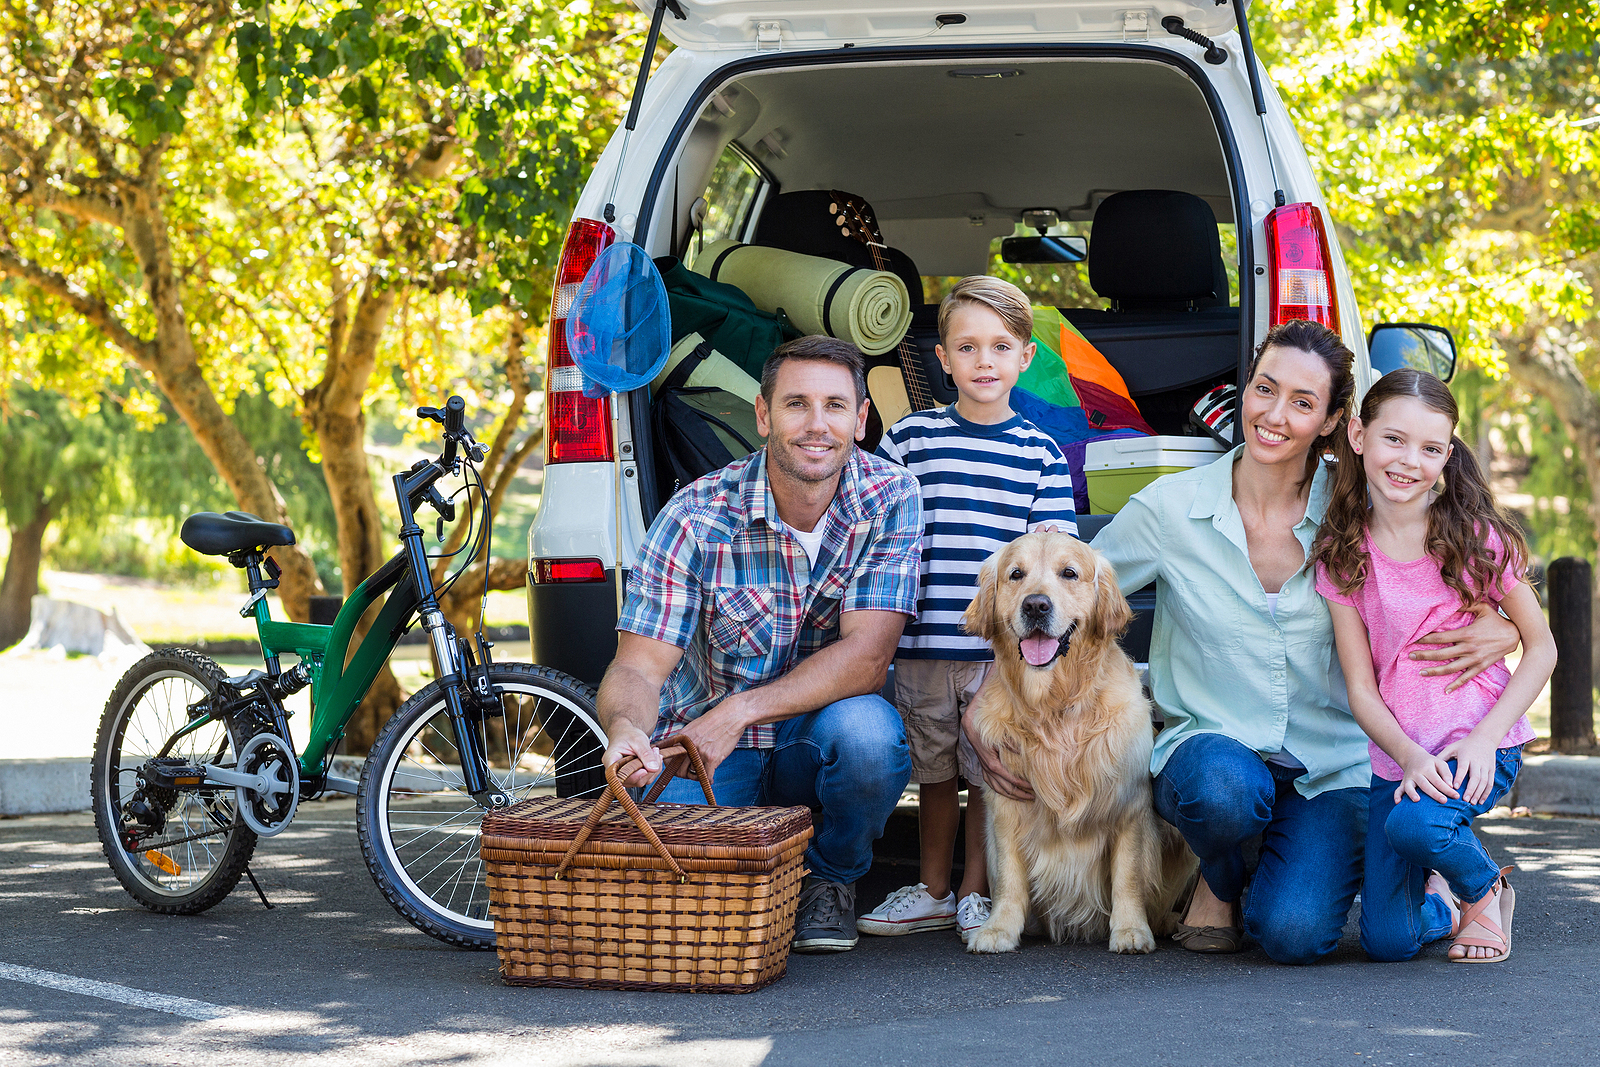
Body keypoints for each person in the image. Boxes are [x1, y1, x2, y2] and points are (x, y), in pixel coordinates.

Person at [964, 319, 1520, 964]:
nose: (1275, 415)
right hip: (1213, 755)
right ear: (1244, 389)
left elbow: (1469, 572)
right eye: (1264, 388)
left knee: (1292, 935)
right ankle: (1218, 879)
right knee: (1220, 793)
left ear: (1337, 421)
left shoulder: (1360, 513)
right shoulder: (1172, 508)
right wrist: (987, 701)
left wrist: (1503, 624)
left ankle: (1392, 885)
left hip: (1329, 764)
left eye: (1303, 404)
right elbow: (1058, 593)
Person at [597, 334, 921, 956]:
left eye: (834, 406)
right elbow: (638, 665)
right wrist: (626, 730)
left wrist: (739, 711)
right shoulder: (696, 515)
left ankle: (831, 877)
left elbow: (867, 658)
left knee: (869, 738)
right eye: (797, 404)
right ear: (763, 414)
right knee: (681, 909)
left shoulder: (890, 497)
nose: (816, 424)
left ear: (860, 419)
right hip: (704, 752)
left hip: (810, 740)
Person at [857, 277, 1078, 944]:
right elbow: (877, 528)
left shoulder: (1040, 454)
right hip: (922, 643)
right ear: (943, 358)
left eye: (1000, 347)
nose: (984, 361)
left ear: (1025, 357)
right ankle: (931, 888)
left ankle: (978, 891)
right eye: (968, 347)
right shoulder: (909, 440)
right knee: (935, 770)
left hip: (1000, 656)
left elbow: (1050, 563)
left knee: (992, 774)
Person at [1314, 368, 1555, 964]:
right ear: (1357, 435)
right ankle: (1443, 901)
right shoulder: (1344, 555)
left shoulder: (1476, 540)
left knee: (1417, 828)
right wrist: (1409, 758)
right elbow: (1362, 692)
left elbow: (1541, 646)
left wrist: (1485, 738)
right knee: (1388, 942)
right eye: (1393, 439)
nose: (1408, 461)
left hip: (1477, 747)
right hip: (1400, 759)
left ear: (1447, 456)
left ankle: (1485, 888)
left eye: (1429, 448)